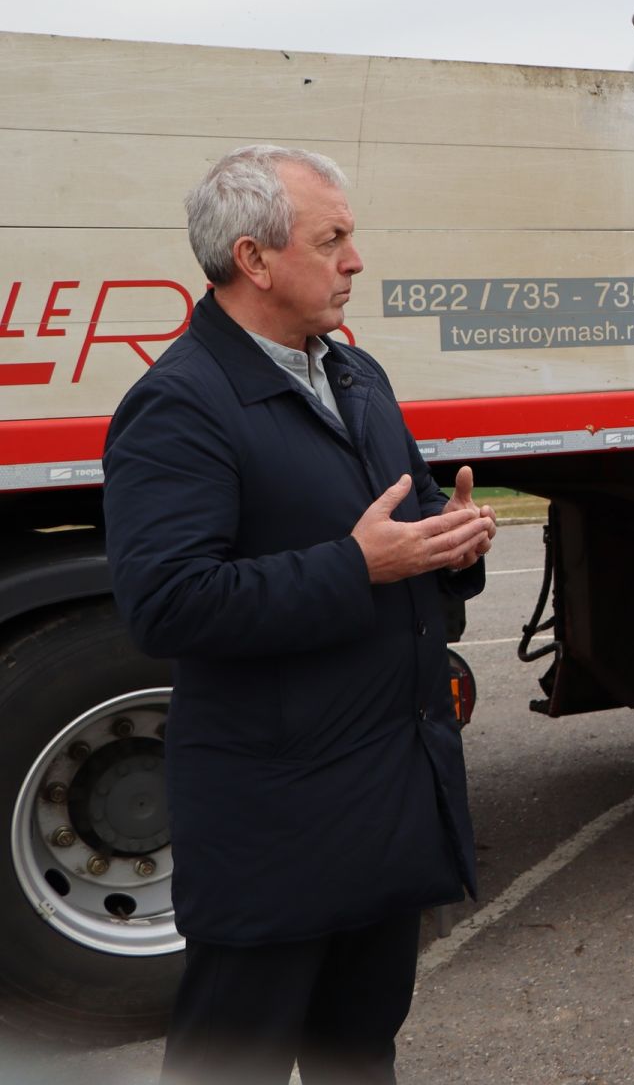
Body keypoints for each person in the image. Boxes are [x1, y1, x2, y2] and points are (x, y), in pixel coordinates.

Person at [102, 145, 495, 1084]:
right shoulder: (178, 405)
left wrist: (449, 545)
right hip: (275, 828)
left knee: (359, 1058)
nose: (356, 260)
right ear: (255, 259)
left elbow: (405, 528)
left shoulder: (356, 377)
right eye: (334, 239)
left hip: (384, 805)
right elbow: (167, 605)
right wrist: (357, 565)